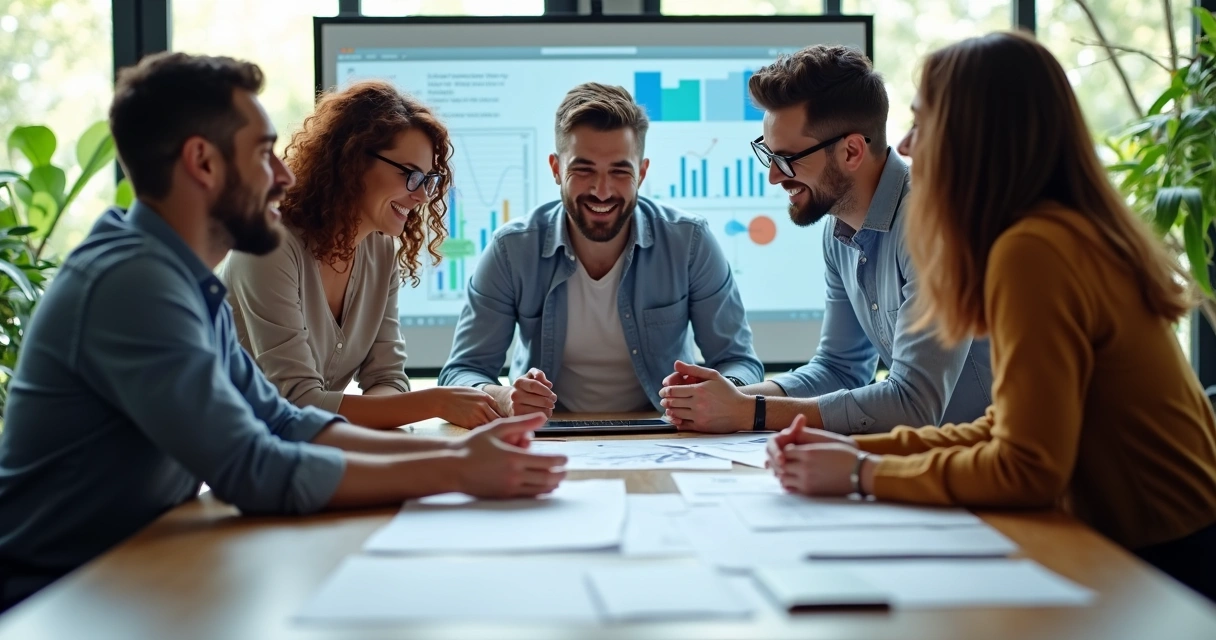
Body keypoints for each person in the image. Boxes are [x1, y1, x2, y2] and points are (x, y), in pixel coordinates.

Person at [0, 53, 566, 613]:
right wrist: (455, 469)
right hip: (56, 598)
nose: (285, 174)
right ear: (203, 162)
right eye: (263, 153)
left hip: (130, 577)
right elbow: (252, 468)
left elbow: (284, 421)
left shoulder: (183, 280)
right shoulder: (134, 283)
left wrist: (465, 451)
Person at [767, 32, 1216, 601]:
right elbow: (1005, 428)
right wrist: (857, 452)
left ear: (975, 139)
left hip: (1164, 568)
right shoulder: (1055, 234)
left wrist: (861, 475)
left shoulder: (1034, 252)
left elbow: (1027, 468)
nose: (904, 145)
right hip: (1160, 543)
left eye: (922, 123)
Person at [659, 45, 993, 435]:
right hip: (935, 461)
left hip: (999, 470)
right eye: (768, 155)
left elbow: (913, 403)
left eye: (787, 159)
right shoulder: (838, 229)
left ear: (851, 150)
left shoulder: (934, 222)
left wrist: (750, 412)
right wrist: (727, 399)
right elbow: (840, 368)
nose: (774, 177)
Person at [438, 82, 763, 416]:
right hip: (547, 437)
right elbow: (460, 373)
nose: (602, 191)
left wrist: (722, 396)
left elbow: (738, 363)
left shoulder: (690, 242)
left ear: (642, 172)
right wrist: (503, 398)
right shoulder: (512, 250)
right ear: (556, 169)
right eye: (583, 169)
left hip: (665, 433)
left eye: (620, 171)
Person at [219, 81, 499, 429]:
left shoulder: (380, 249)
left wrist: (392, 416)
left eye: (428, 180)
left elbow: (387, 378)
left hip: (308, 451)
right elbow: (296, 403)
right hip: (242, 457)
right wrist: (436, 402)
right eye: (411, 175)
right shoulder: (269, 246)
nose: (423, 197)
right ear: (352, 161)